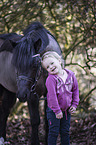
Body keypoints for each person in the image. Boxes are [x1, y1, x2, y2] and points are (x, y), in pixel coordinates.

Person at [41, 51, 79, 145]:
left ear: (59, 61)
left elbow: (75, 90)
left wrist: (74, 104)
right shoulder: (51, 79)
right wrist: (57, 111)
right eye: (48, 67)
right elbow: (52, 97)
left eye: (52, 63)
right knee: (53, 132)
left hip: (66, 110)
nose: (51, 67)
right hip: (54, 111)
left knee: (65, 132)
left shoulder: (71, 75)